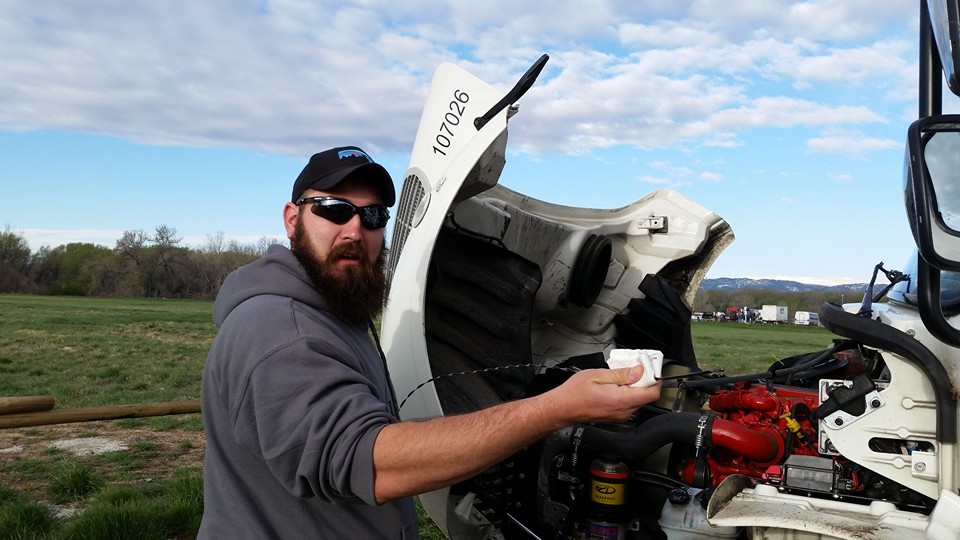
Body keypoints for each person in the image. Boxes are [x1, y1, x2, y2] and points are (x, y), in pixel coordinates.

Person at [198, 146, 662, 539]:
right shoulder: (280, 331)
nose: (355, 230)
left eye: (373, 216)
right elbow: (369, 461)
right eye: (334, 209)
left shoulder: (333, 314)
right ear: (292, 219)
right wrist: (556, 408)